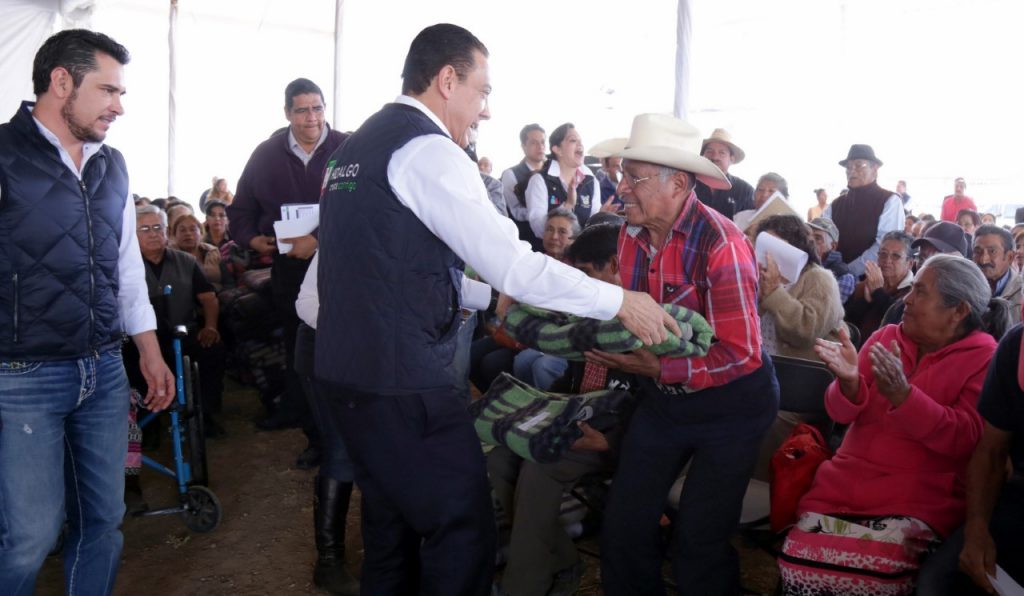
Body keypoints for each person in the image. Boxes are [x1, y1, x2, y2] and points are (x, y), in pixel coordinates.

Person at [313, 24, 677, 595]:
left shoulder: (354, 150)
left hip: (347, 371)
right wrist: (620, 300)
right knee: (463, 529)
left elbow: (391, 266)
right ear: (447, 79)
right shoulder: (429, 151)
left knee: (390, 531)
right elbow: (514, 265)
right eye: (482, 91)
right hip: (404, 380)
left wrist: (489, 297)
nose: (485, 109)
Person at [0, 30, 174, 595]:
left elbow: (126, 267)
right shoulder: (4, 155)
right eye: (108, 90)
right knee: (28, 538)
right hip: (23, 376)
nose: (119, 106)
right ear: (61, 82)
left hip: (103, 370)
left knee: (103, 521)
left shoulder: (112, 165)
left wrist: (148, 350)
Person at [584, 113, 779, 594]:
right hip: (666, 399)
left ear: (677, 184)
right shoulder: (630, 235)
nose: (621, 187)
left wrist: (659, 366)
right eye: (622, 174)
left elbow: (742, 354)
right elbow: (640, 317)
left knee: (699, 539)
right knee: (624, 523)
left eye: (634, 177)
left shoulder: (722, 243)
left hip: (732, 406)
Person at [781, 255, 1008, 594]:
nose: (907, 299)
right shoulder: (887, 336)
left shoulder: (985, 358)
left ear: (958, 310)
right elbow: (841, 414)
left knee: (875, 574)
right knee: (796, 559)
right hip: (843, 486)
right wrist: (849, 383)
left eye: (920, 292)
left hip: (917, 499)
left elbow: (964, 439)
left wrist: (905, 397)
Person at [489, 222, 634, 596]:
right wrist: (539, 409)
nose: (580, 284)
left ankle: (524, 587)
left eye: (585, 273)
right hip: (577, 421)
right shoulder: (594, 308)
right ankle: (563, 561)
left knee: (539, 469)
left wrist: (611, 442)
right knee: (501, 456)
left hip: (615, 438)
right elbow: (572, 379)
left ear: (614, 265)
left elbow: (659, 409)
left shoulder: (644, 318)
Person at [227, 78, 347, 469]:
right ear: (287, 113)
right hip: (291, 272)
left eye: (317, 108)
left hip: (344, 269)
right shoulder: (265, 155)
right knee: (304, 355)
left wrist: (320, 241)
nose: (311, 117)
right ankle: (317, 437)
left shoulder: (349, 149)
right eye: (302, 110)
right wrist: (252, 239)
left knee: (346, 352)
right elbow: (240, 212)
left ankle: (350, 434)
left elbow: (368, 209)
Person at [916, 323, 1024, 594]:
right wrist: (977, 529)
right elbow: (991, 450)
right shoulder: (1016, 346)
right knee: (936, 583)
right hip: (1018, 495)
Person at [133, 206, 226, 438]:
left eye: (158, 227)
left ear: (166, 232)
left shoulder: (186, 261)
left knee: (212, 349)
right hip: (140, 339)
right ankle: (146, 423)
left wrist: (210, 326)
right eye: (145, 229)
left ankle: (205, 416)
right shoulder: (125, 265)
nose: (153, 234)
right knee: (128, 360)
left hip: (183, 332)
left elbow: (208, 298)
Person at [755, 215, 844, 361]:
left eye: (775, 246)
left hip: (799, 369)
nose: (768, 254)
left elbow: (807, 333)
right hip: (760, 362)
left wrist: (774, 292)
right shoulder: (762, 275)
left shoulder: (820, 278)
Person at [824, 144, 903, 277]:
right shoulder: (836, 204)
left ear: (875, 169)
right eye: (848, 167)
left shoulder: (889, 201)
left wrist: (849, 271)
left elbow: (884, 245)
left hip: (870, 281)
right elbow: (822, 237)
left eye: (859, 165)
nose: (851, 171)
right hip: (833, 276)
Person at [525, 122, 601, 238]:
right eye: (573, 140)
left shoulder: (591, 181)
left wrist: (601, 217)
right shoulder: (539, 181)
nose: (580, 144)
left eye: (580, 141)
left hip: (584, 248)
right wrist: (568, 205)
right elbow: (539, 228)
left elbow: (593, 226)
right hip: (550, 249)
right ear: (558, 150)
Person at [844, 231, 915, 341]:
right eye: (883, 254)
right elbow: (847, 320)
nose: (887, 260)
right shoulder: (868, 283)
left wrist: (878, 293)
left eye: (896, 256)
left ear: (909, 263)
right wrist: (866, 301)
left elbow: (898, 322)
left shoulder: (912, 292)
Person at [500, 123, 546, 251]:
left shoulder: (552, 171)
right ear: (523, 146)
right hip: (529, 241)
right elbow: (516, 211)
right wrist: (541, 212)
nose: (540, 146)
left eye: (543, 142)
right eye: (534, 143)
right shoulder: (511, 174)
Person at [694, 127, 754, 219]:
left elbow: (750, 221)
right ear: (703, 156)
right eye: (709, 151)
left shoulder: (745, 190)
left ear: (732, 159)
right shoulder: (689, 182)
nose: (715, 157)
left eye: (722, 153)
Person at [973, 225, 1023, 324]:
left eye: (992, 251)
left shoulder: (1021, 293)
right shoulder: (964, 288)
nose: (983, 260)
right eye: (978, 252)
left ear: (1010, 257)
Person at [809, 217, 855, 303]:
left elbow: (821, 309)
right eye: (808, 236)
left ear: (833, 246)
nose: (810, 241)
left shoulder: (844, 278)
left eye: (817, 238)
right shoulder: (803, 261)